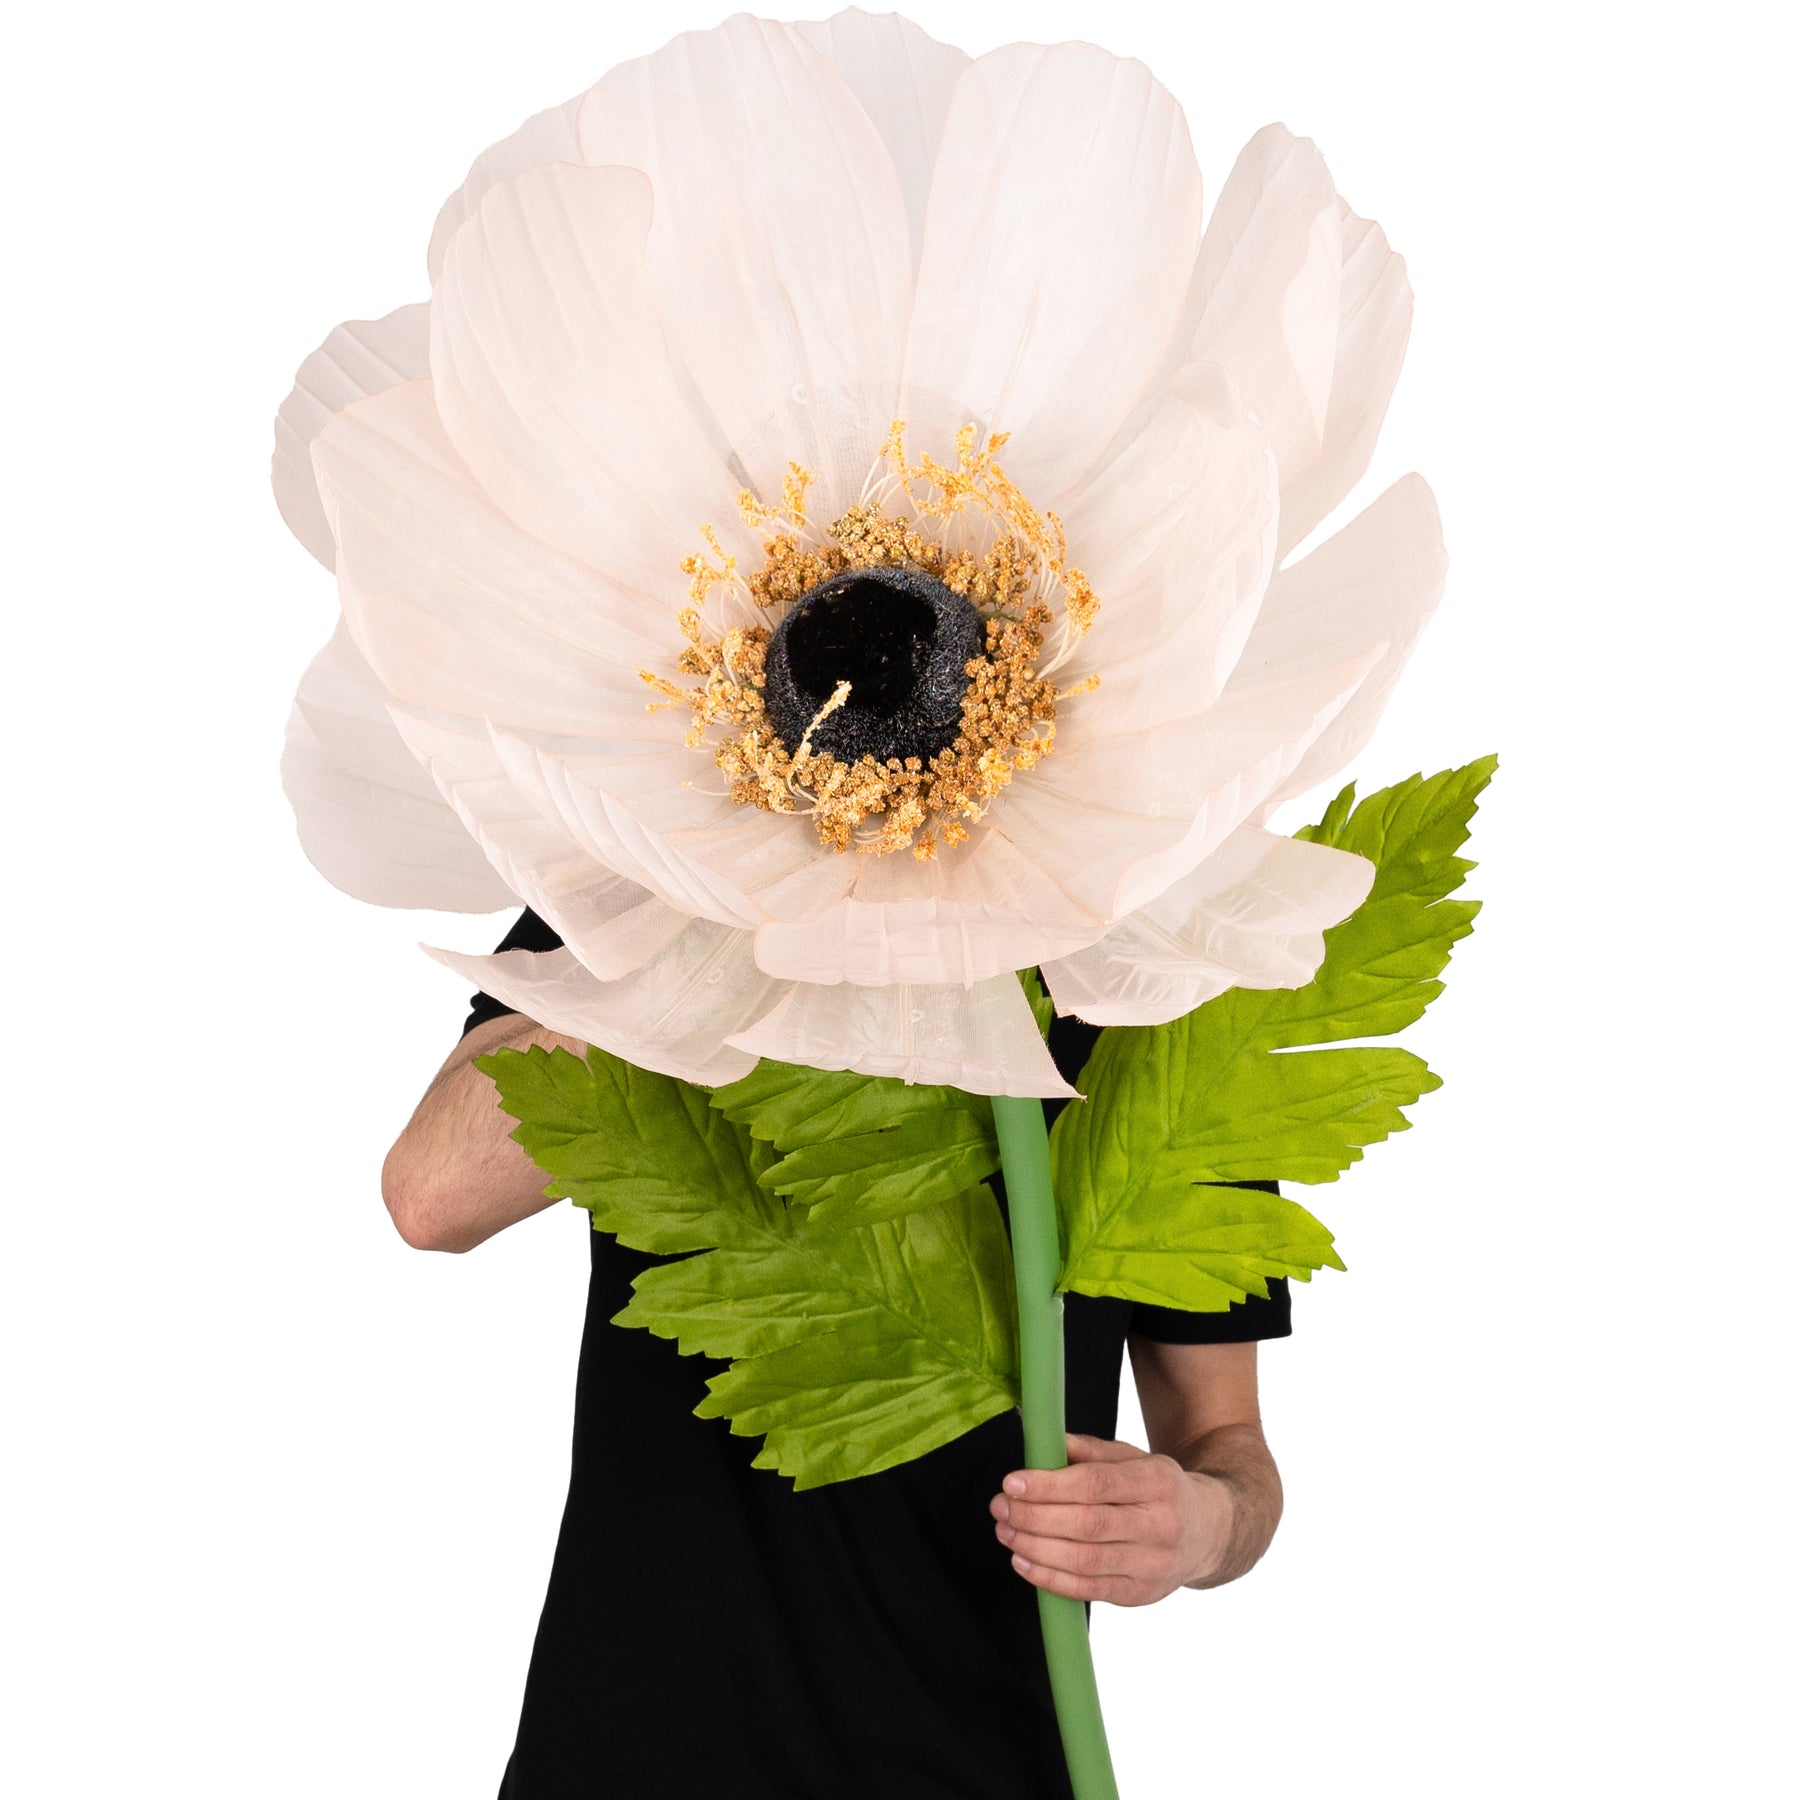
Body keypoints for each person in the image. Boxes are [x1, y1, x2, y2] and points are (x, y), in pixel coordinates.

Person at [383, 910, 1289, 1799]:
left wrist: (1202, 1524)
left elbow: (1224, 1436)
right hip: (636, 1750)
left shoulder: (1163, 955)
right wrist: (739, 902)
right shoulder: (646, 877)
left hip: (988, 1756)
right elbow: (435, 1195)